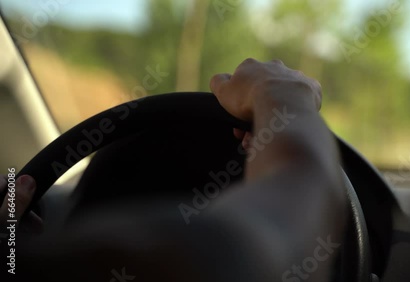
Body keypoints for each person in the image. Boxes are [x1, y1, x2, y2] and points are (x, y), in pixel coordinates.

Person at [0, 58, 347, 281]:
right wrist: (281, 95)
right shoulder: (178, 258)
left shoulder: (24, 261)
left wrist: (10, 250)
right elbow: (251, 245)